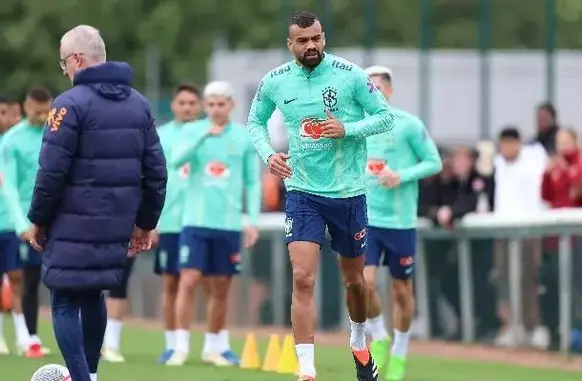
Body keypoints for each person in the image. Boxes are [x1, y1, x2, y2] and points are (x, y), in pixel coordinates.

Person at [247, 10, 395, 381]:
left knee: (355, 283)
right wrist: (269, 155)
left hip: (348, 194)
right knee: (302, 278)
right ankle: (307, 370)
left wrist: (348, 128)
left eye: (316, 38)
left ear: (323, 38)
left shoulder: (350, 75)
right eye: (302, 40)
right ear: (290, 44)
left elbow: (384, 116)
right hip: (302, 192)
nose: (310, 45)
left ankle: (359, 340)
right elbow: (254, 122)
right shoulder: (276, 81)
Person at [27, 25, 166, 381]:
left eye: (63, 63)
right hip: (117, 223)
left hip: (71, 222)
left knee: (64, 299)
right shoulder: (139, 104)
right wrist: (146, 222)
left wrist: (38, 219)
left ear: (76, 59)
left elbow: (51, 171)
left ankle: (81, 379)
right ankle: (91, 374)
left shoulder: (69, 105)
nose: (64, 71)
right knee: (92, 295)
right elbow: (156, 171)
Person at [165, 81, 261, 366]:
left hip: (229, 224)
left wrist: (252, 221)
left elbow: (252, 182)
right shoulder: (193, 131)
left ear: (231, 106)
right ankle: (180, 347)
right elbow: (176, 160)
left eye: (222, 104)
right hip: (195, 221)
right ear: (205, 107)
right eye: (211, 104)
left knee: (221, 285)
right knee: (188, 279)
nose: (216, 109)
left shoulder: (243, 137)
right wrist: (202, 136)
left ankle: (213, 347)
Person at [362, 65, 441, 380]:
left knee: (402, 290)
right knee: (363, 284)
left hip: (400, 222)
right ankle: (379, 335)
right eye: (369, 89)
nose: (374, 94)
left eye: (379, 88)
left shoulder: (409, 125)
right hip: (367, 220)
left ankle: (401, 351)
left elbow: (434, 162)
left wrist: (401, 176)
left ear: (389, 91)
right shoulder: (358, 127)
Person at [0, 86, 54, 357]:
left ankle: (79, 336)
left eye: (47, 110)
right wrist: (21, 222)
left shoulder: (56, 135)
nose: (42, 116)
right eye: (37, 110)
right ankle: (26, 336)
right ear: (26, 107)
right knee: (23, 278)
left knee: (53, 279)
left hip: (52, 221)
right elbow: (7, 185)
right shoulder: (12, 140)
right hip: (21, 223)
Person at [154, 83, 202, 364]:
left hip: (200, 220)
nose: (187, 107)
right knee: (171, 283)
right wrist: (154, 221)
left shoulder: (209, 133)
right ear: (174, 105)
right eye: (182, 102)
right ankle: (172, 343)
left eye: (191, 102)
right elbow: (152, 179)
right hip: (170, 222)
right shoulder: (161, 136)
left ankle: (214, 344)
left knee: (206, 283)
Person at [493, 127, 548, 348]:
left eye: (511, 143)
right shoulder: (497, 165)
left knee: (529, 279)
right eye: (503, 143)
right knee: (504, 278)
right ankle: (510, 325)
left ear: (519, 143)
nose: (507, 148)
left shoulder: (531, 162)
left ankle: (533, 326)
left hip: (528, 230)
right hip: (502, 230)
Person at [0, 95, 30, 356]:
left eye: (13, 113)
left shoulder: (18, 142)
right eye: (3, 113)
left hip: (11, 223)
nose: (9, 119)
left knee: (18, 278)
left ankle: (24, 336)